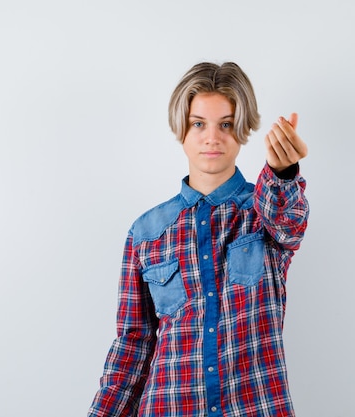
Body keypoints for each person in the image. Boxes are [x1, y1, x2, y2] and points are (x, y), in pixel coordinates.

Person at [88, 62, 309, 417]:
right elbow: (132, 346)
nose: (212, 137)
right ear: (182, 130)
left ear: (242, 129)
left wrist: (283, 172)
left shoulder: (263, 214)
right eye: (198, 124)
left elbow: (289, 223)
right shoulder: (146, 233)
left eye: (225, 124)